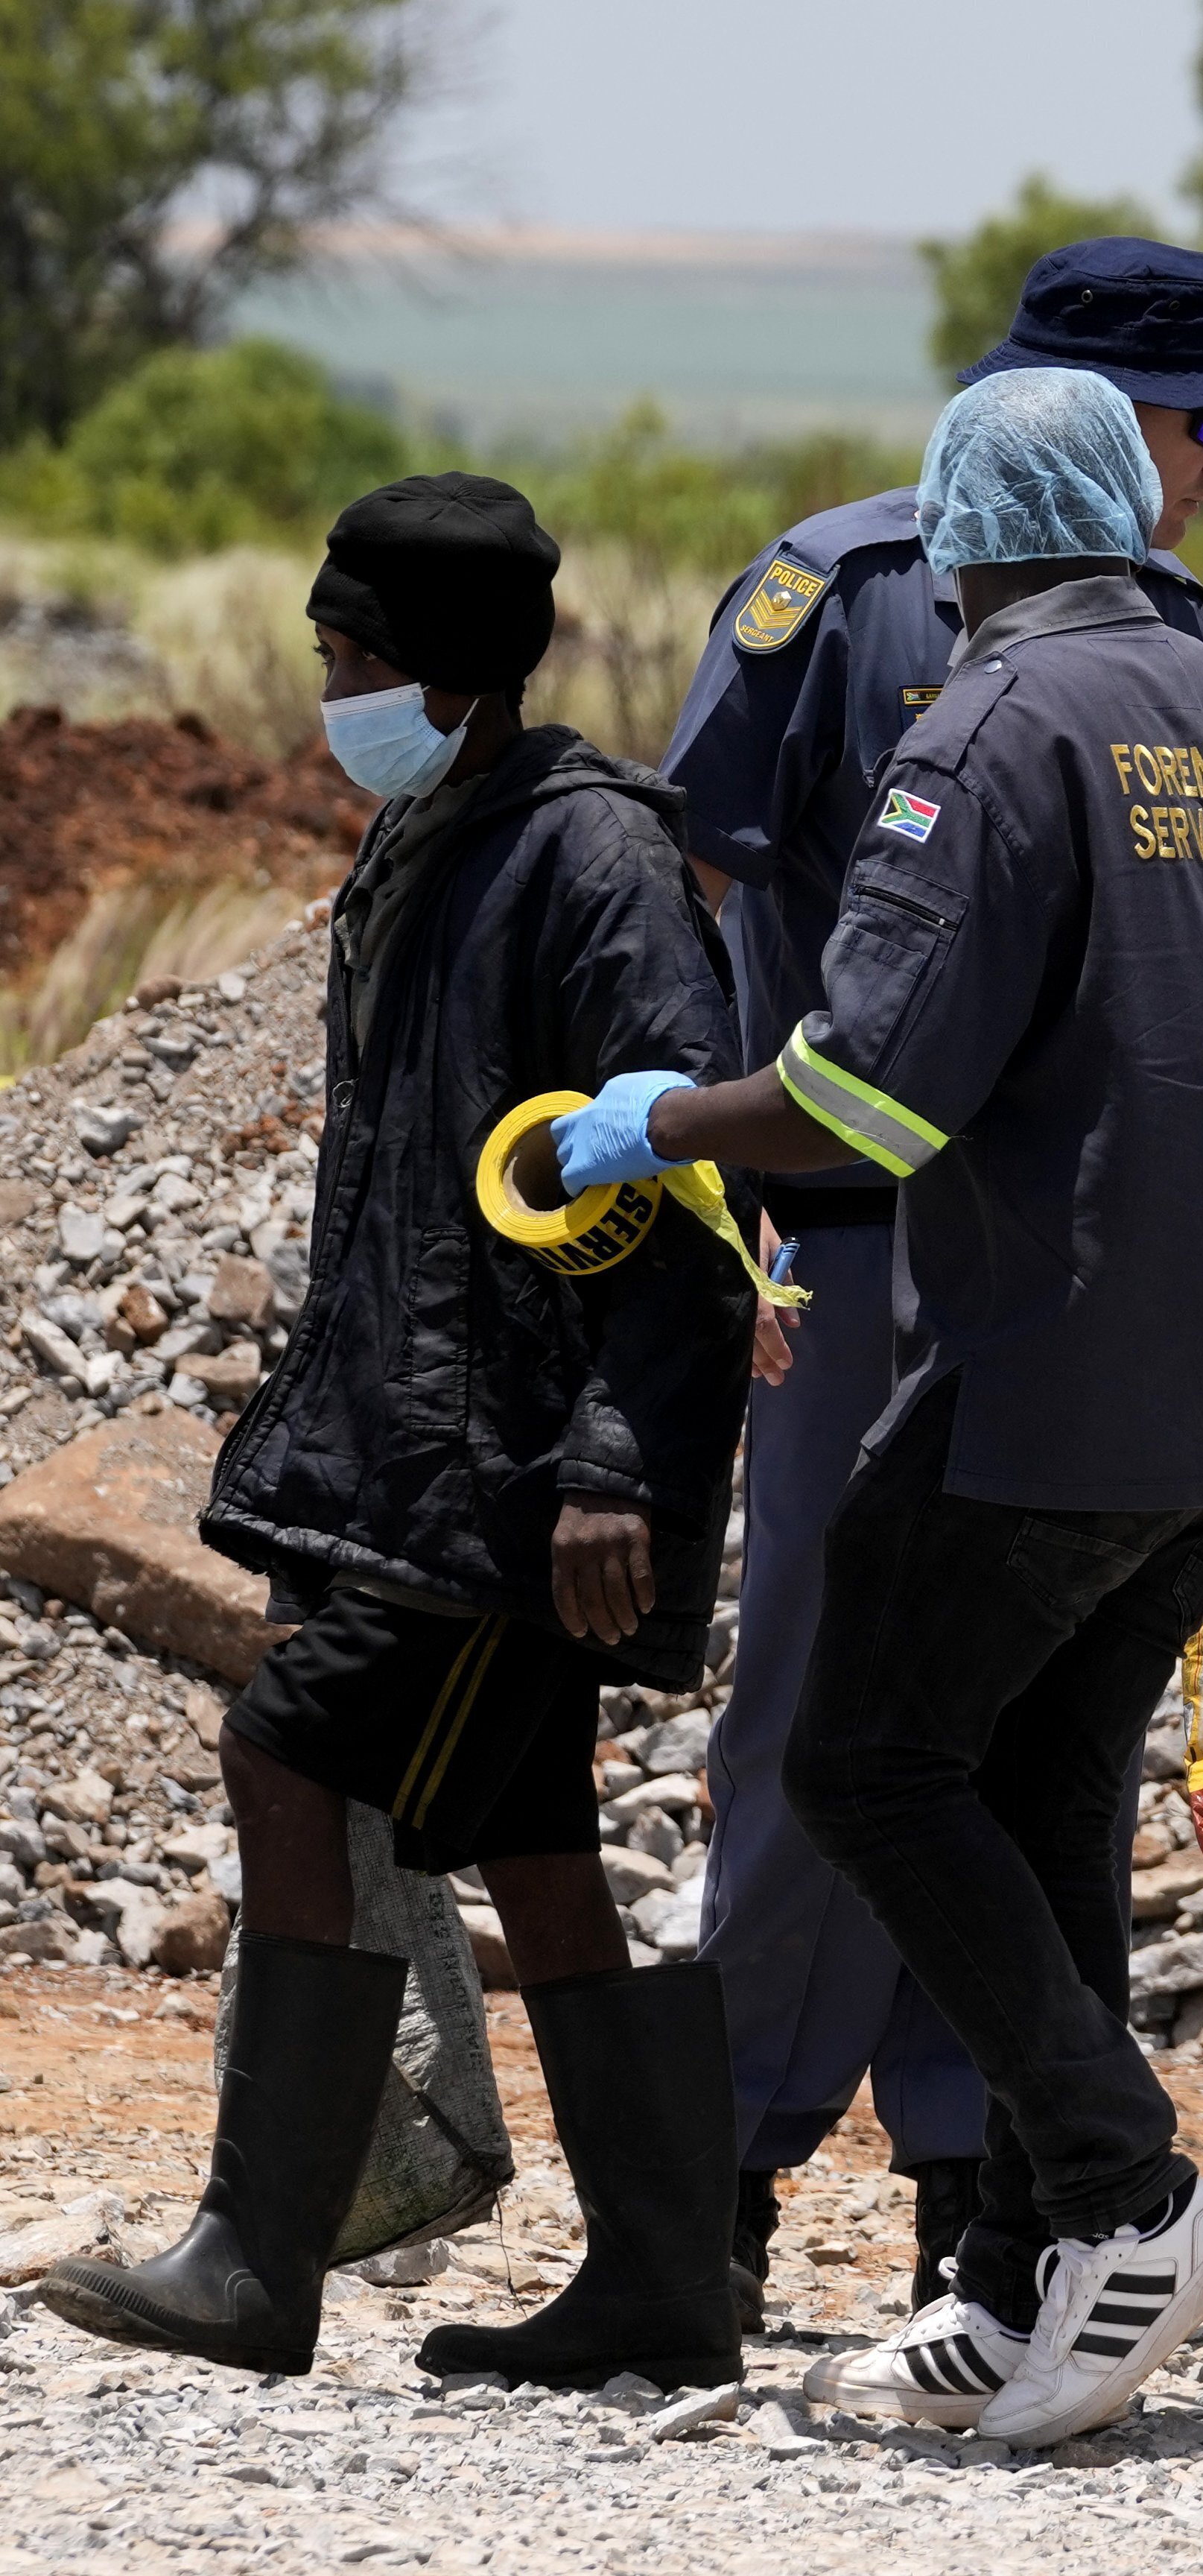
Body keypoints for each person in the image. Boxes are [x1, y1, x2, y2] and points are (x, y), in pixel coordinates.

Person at [510, 368, 1203, 2444]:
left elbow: (863, 1093)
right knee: (1044, 1773)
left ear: (962, 530)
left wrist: (648, 1130)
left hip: (1043, 1362)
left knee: (872, 1757)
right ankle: (1016, 2271)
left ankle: (1127, 2184)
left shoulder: (980, 730)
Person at [659, 234, 1203, 2326]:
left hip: (1037, 1257)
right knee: (836, 1707)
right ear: (1082, 416)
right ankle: (725, 2174)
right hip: (858, 1234)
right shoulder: (846, 592)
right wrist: (687, 1149)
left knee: (978, 1750)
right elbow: (708, 886)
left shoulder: (1163, 640)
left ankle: (994, 2201)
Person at [36, 475, 755, 2390]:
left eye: (351, 660)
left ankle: (259, 2254)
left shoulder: (591, 862)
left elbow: (693, 1191)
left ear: (439, 674)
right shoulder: (435, 831)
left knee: (290, 1750)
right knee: (528, 1842)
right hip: (442, 1462)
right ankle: (670, 2282)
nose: (329, 691)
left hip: (513, 1484)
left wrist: (618, 1463)